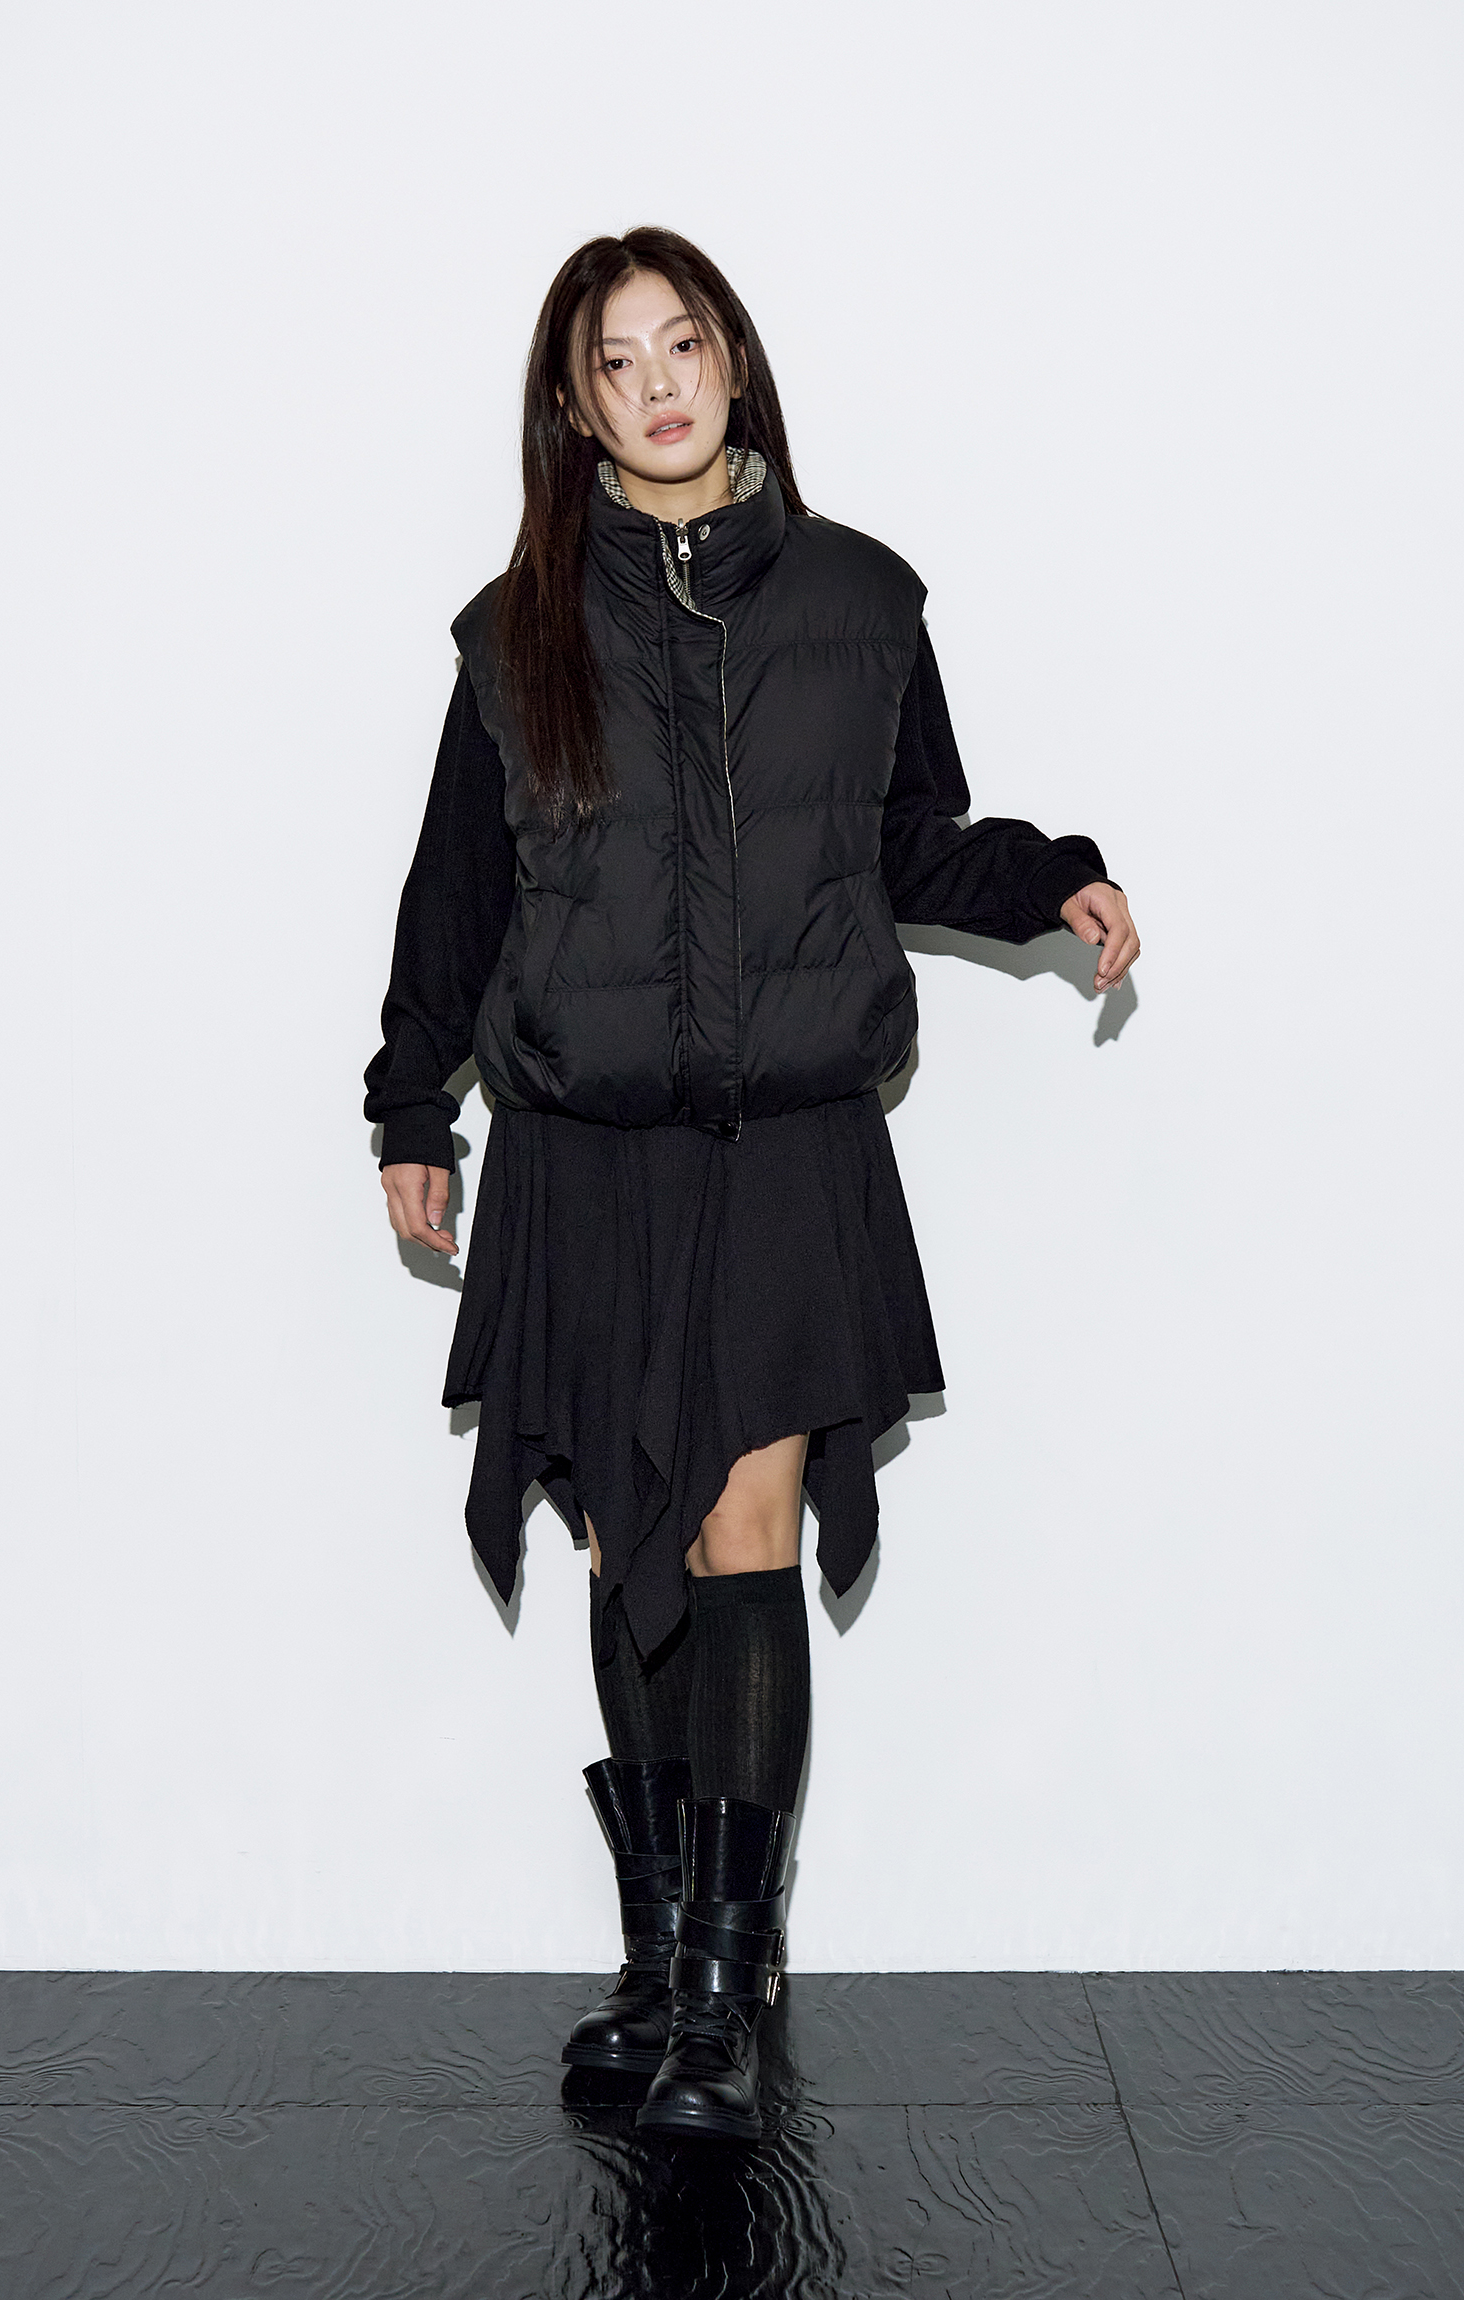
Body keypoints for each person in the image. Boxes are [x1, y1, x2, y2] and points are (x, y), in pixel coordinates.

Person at [364, 226, 1138, 2143]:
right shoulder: (515, 633)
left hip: (786, 1152)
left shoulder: (860, 600)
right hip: (584, 1157)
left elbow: (906, 839)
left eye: (681, 344)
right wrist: (409, 1111)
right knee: (626, 1542)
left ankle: (725, 1984)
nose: (656, 385)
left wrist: (1049, 874)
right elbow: (458, 892)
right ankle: (656, 1966)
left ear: (733, 361)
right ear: (574, 408)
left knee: (741, 1535)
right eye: (614, 363)